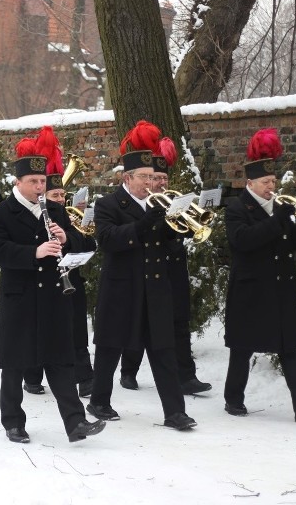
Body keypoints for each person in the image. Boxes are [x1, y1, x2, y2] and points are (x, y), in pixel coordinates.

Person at [0, 128, 105, 444]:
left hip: (54, 295)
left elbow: (78, 241)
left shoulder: (54, 210)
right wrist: (33, 253)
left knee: (60, 361)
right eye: (34, 182)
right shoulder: (1, 213)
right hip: (20, 297)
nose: (41, 187)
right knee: (15, 364)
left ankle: (75, 422)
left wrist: (67, 240)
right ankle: (13, 422)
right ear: (18, 183)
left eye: (43, 182)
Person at [87, 120, 197, 431]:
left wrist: (181, 227)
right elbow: (107, 240)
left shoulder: (158, 204)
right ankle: (99, 400)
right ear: (127, 178)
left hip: (156, 289)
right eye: (145, 178)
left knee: (163, 350)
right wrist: (144, 223)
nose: (152, 183)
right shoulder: (108, 204)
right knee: (110, 348)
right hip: (123, 289)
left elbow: (170, 244)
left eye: (153, 177)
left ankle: (175, 412)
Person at [224, 128, 296, 423]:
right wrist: (278, 221)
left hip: (282, 288)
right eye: (265, 182)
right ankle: (233, 399)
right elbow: (242, 241)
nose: (271, 186)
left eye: (273, 181)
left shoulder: (280, 208)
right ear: (250, 183)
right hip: (251, 290)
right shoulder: (237, 209)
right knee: (242, 349)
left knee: (290, 348)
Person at [119, 137, 213, 396]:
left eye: (163, 179)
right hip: (148, 273)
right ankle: (129, 369)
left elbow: (184, 234)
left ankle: (186, 376)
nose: (158, 183)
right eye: (154, 178)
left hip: (174, 270)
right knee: (140, 324)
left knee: (180, 322)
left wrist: (192, 223)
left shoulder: (174, 202)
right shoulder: (141, 207)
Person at [23, 146, 96, 398]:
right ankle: (32, 376)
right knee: (38, 329)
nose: (61, 200)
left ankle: (85, 376)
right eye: (55, 195)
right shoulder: (35, 215)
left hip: (71, 281)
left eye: (63, 194)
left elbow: (89, 243)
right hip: (42, 282)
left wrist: (70, 238)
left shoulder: (69, 215)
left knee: (76, 329)